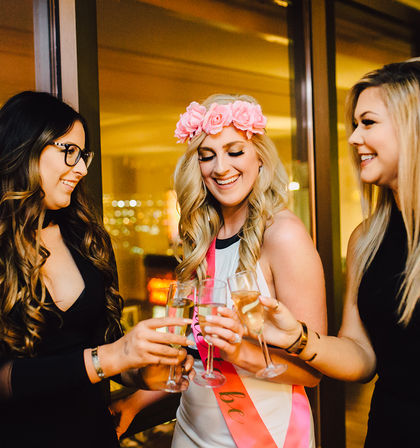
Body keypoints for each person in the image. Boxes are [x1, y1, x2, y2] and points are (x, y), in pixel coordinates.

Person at [0, 91, 194, 448]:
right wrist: (116, 355)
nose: (83, 168)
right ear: (25, 148)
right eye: (69, 152)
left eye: (83, 154)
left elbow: (104, 343)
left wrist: (144, 372)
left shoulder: (87, 239)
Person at [259, 58, 420, 447]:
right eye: (354, 125)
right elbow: (362, 356)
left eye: (368, 122)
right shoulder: (365, 238)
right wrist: (298, 338)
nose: (352, 138)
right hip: (391, 431)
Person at [171, 94, 327, 447]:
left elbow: (314, 371)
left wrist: (237, 352)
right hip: (190, 430)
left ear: (260, 157)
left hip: (261, 434)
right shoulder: (199, 236)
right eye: (206, 156)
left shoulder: (283, 234)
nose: (220, 167)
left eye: (235, 151)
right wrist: (137, 400)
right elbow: (192, 353)